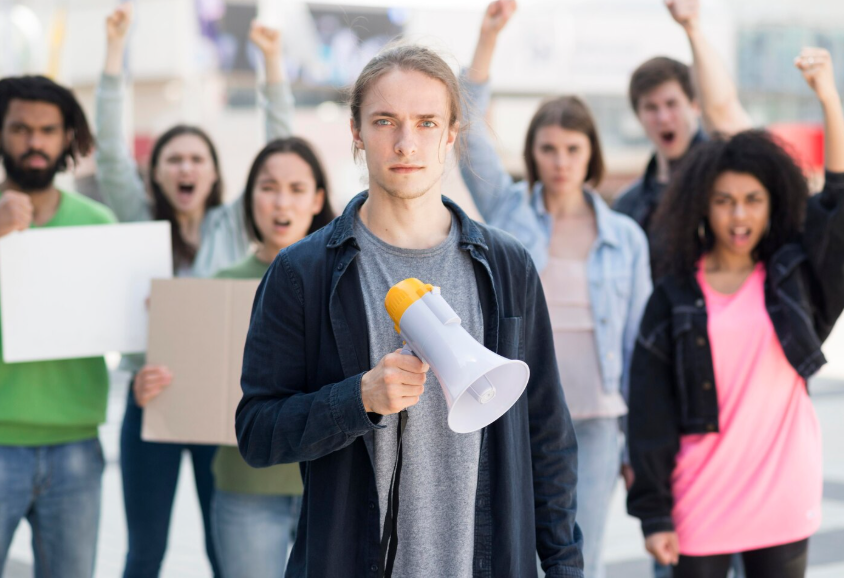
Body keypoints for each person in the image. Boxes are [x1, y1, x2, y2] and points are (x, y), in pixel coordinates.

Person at [235, 44, 584, 578]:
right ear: (356, 131)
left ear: (451, 133)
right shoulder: (302, 273)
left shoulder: (508, 266)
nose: (406, 143)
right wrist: (358, 400)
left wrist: (565, 567)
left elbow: (548, 437)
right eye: (384, 121)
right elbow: (257, 433)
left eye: (426, 122)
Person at [627, 48, 844, 578]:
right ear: (702, 205)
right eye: (724, 200)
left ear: (773, 206)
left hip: (782, 492)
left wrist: (828, 97)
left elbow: (838, 203)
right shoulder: (674, 295)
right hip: (699, 496)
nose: (739, 214)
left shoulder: (794, 281)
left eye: (753, 199)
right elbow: (649, 412)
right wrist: (654, 513)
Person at [95, 5, 294, 577]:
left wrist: (272, 60)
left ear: (213, 173)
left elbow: (280, 147)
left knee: (221, 550)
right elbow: (110, 153)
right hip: (151, 397)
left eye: (197, 159)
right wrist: (114, 53)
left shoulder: (234, 225)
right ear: (156, 171)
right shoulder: (138, 221)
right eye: (173, 158)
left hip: (218, 406)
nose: (185, 167)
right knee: (144, 553)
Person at [458, 3, 651, 577]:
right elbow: (466, 131)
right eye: (548, 149)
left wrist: (640, 443)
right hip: (516, 410)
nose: (561, 161)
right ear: (533, 154)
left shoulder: (625, 236)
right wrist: (488, 38)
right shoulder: (508, 209)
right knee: (507, 549)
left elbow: (642, 343)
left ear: (591, 151)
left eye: (573, 149)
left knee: (575, 555)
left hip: (594, 421)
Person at [0, 76, 116, 578]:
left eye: (48, 130)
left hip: (76, 445)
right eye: (20, 129)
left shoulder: (98, 224)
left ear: (67, 138)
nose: (35, 142)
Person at [210, 136, 334, 578]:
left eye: (298, 188)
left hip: (330, 485)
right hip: (247, 486)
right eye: (268, 187)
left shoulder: (346, 277)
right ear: (249, 198)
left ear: (318, 199)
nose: (282, 202)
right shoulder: (218, 285)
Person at [614, 0, 751, 239]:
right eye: (651, 108)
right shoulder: (627, 206)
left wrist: (692, 28)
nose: (664, 117)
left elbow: (723, 108)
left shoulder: (725, 171)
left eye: (671, 104)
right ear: (638, 116)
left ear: (695, 105)